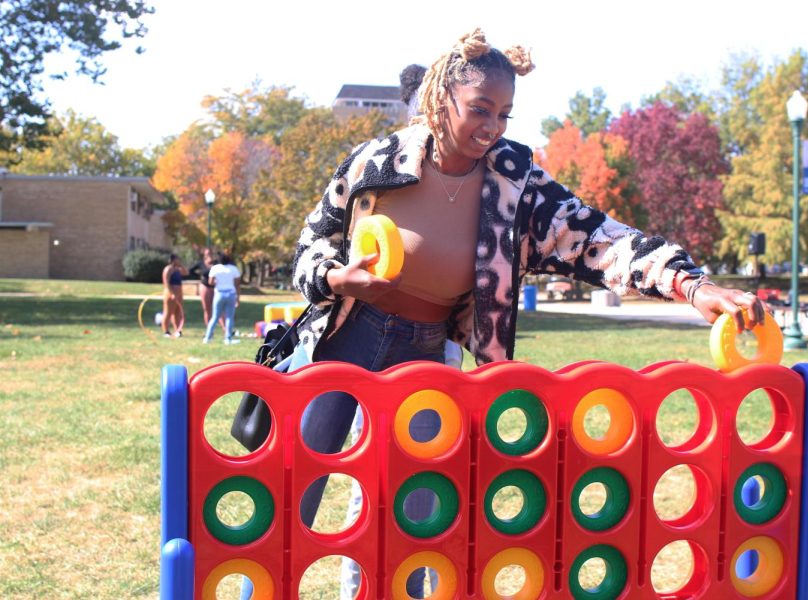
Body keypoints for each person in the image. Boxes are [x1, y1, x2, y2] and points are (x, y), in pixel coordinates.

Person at [290, 28, 765, 599]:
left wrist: (691, 285)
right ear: (443, 99)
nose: (492, 127)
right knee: (296, 491)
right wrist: (336, 277)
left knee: (409, 514)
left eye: (505, 114)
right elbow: (310, 247)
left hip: (428, 353)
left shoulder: (514, 182)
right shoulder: (377, 162)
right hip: (346, 336)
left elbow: (597, 238)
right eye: (480, 109)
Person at [203, 254, 241, 345]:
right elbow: (237, 283)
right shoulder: (233, 269)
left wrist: (218, 281)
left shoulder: (215, 268)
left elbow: (210, 282)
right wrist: (238, 297)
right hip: (231, 293)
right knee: (229, 317)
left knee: (215, 317)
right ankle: (228, 338)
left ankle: (207, 337)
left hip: (219, 293)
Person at [160, 253, 187, 338]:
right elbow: (166, 283)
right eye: (178, 259)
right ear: (173, 260)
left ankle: (177, 330)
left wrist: (181, 265)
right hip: (170, 293)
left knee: (177, 312)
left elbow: (186, 272)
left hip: (179, 293)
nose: (179, 260)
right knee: (168, 312)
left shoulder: (177, 269)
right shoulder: (168, 269)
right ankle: (166, 331)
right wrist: (172, 293)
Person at [192, 248, 218, 327]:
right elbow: (190, 270)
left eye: (210, 253)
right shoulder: (201, 263)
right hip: (205, 287)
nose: (209, 254)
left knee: (216, 308)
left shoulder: (216, 263)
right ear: (204, 254)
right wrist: (199, 276)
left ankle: (223, 328)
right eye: (207, 253)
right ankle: (209, 328)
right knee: (207, 309)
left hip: (215, 287)